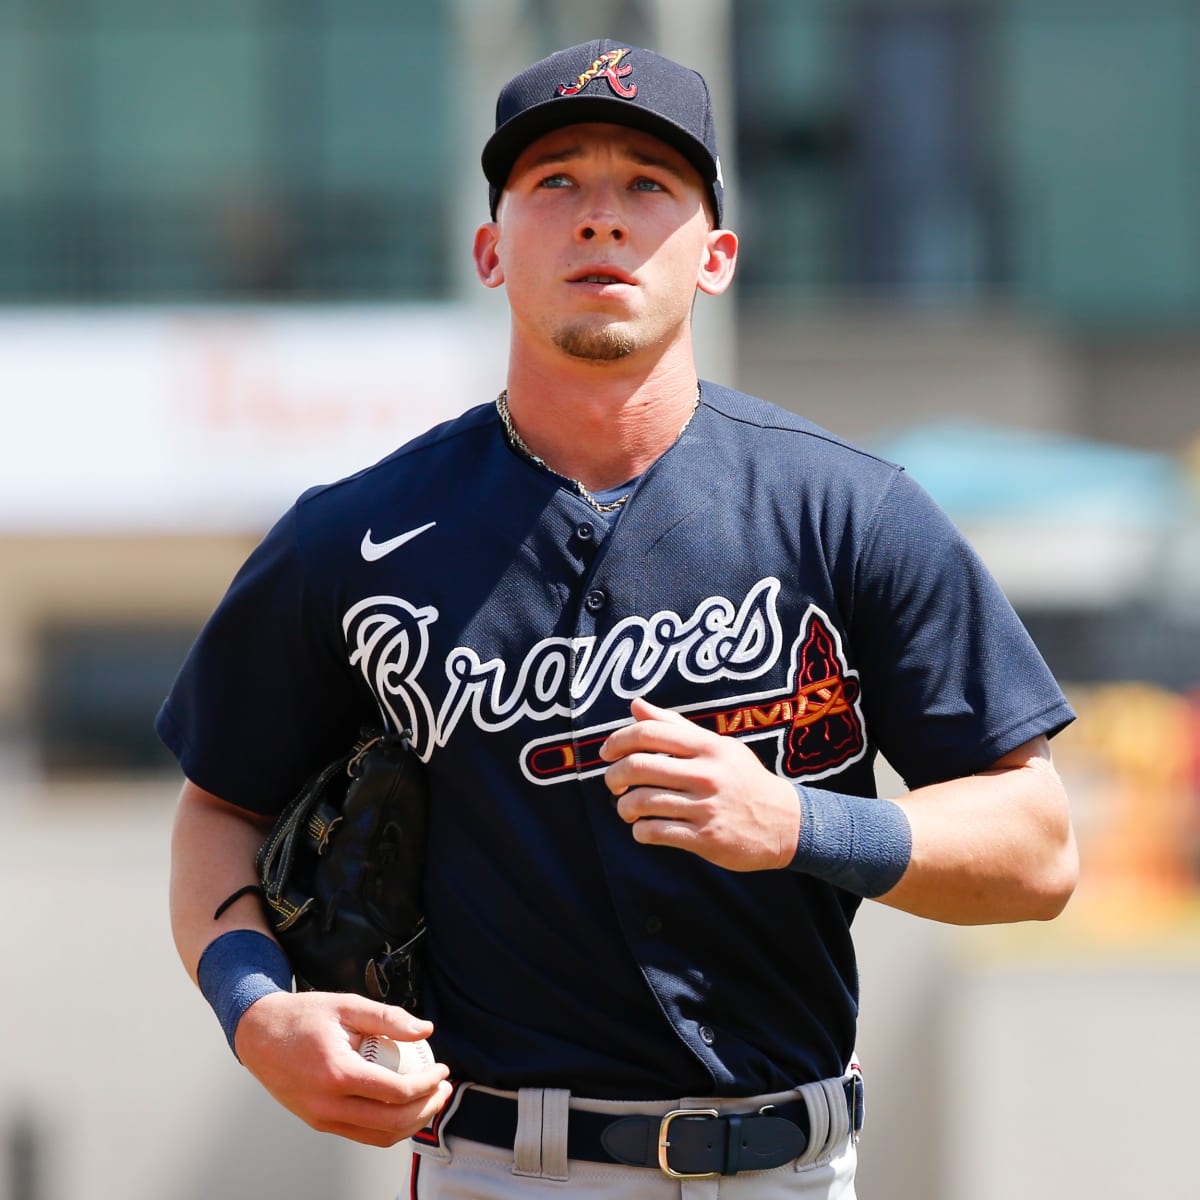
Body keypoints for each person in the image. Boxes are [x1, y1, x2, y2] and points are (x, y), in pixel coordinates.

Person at [161, 38, 1078, 1199]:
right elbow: (217, 810)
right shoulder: (354, 535)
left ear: (718, 256)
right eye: (557, 184)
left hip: (787, 1166)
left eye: (650, 185)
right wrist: (254, 1011)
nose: (603, 219)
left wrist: (799, 822)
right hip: (500, 1166)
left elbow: (1039, 847)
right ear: (491, 248)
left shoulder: (855, 512)